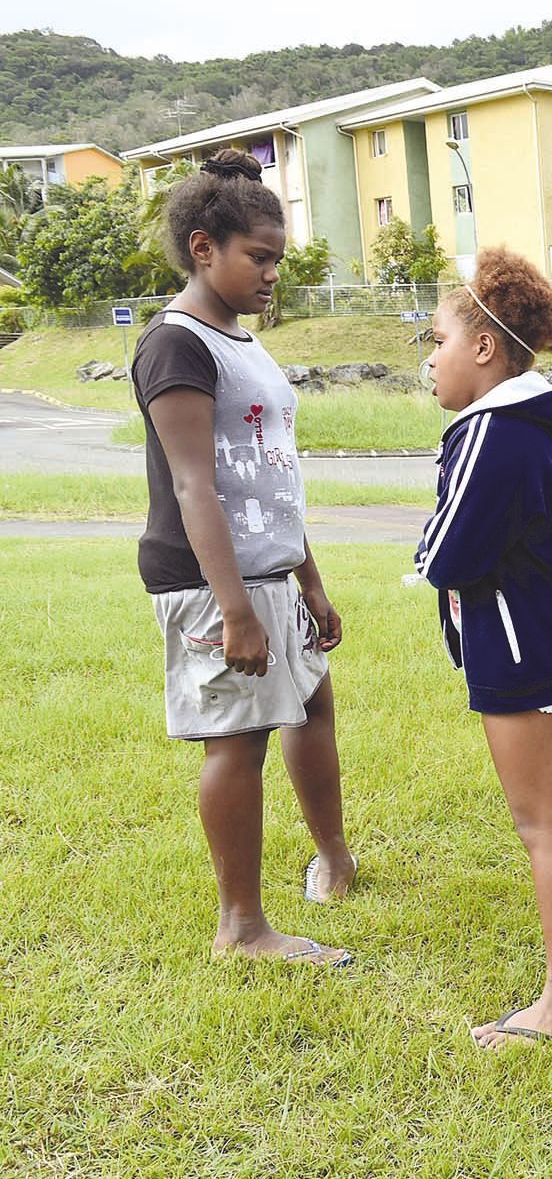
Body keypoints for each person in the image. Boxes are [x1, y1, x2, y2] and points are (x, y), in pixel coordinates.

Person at [131, 150, 358, 965]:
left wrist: (311, 580)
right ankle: (243, 927)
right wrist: (232, 610)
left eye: (277, 260)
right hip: (211, 579)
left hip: (273, 569)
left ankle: (334, 857)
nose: (271, 274)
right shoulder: (175, 345)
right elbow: (197, 487)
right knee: (239, 739)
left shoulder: (242, 339)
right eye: (258, 258)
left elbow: (270, 473)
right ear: (203, 248)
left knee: (311, 707)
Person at [415, 247, 552, 1048]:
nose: (429, 358)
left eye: (435, 339)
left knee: (542, 823)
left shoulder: (486, 433)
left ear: (482, 347)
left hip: (523, 646)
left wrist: (428, 561)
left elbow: (449, 555)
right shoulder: (546, 416)